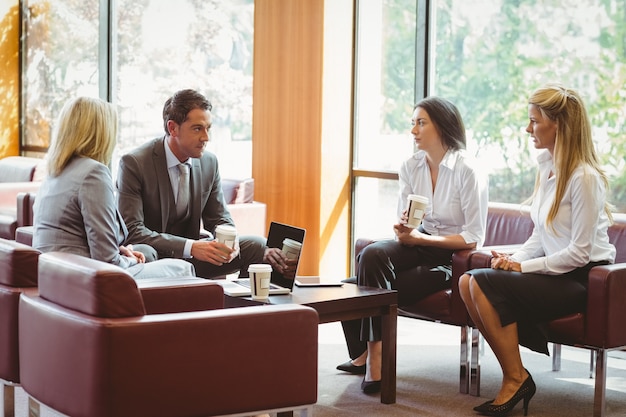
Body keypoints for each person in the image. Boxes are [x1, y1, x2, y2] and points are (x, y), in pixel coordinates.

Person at [458, 83, 616, 417]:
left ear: (558, 124)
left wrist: (524, 269)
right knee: (466, 281)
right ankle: (516, 376)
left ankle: (515, 379)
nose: (528, 129)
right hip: (553, 274)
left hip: (582, 280)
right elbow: (541, 235)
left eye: (534, 121)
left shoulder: (584, 178)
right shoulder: (547, 167)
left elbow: (580, 253)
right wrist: (514, 259)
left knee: (480, 282)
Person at [338, 96, 489, 394]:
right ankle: (370, 355)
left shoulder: (468, 170)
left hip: (453, 258)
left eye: (421, 123)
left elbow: (473, 237)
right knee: (371, 254)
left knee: (352, 287)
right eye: (413, 123)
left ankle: (372, 358)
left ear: (443, 126)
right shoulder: (411, 166)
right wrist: (405, 228)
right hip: (419, 244)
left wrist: (420, 238)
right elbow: (407, 218)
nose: (413, 131)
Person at [116, 89, 290, 278]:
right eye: (197, 128)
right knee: (144, 253)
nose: (206, 137)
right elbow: (133, 231)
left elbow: (219, 218)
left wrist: (229, 241)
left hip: (194, 258)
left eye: (208, 128)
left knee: (257, 245)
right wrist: (191, 247)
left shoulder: (209, 162)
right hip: (156, 258)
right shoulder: (134, 163)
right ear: (173, 128)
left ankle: (241, 305)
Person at [33, 96, 195, 280]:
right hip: (85, 279)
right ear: (101, 133)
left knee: (145, 251)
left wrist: (120, 252)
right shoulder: (93, 173)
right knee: (183, 268)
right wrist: (129, 261)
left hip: (53, 275)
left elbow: (72, 234)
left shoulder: (56, 172)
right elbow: (107, 261)